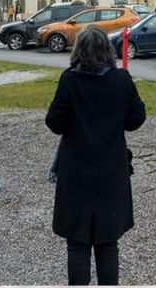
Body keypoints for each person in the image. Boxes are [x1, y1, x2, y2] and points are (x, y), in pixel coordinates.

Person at [45, 26, 147, 286]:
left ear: (79, 50)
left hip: (76, 168)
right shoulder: (121, 80)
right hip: (111, 170)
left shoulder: (70, 80)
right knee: (108, 242)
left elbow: (54, 122)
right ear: (107, 50)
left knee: (77, 243)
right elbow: (136, 119)